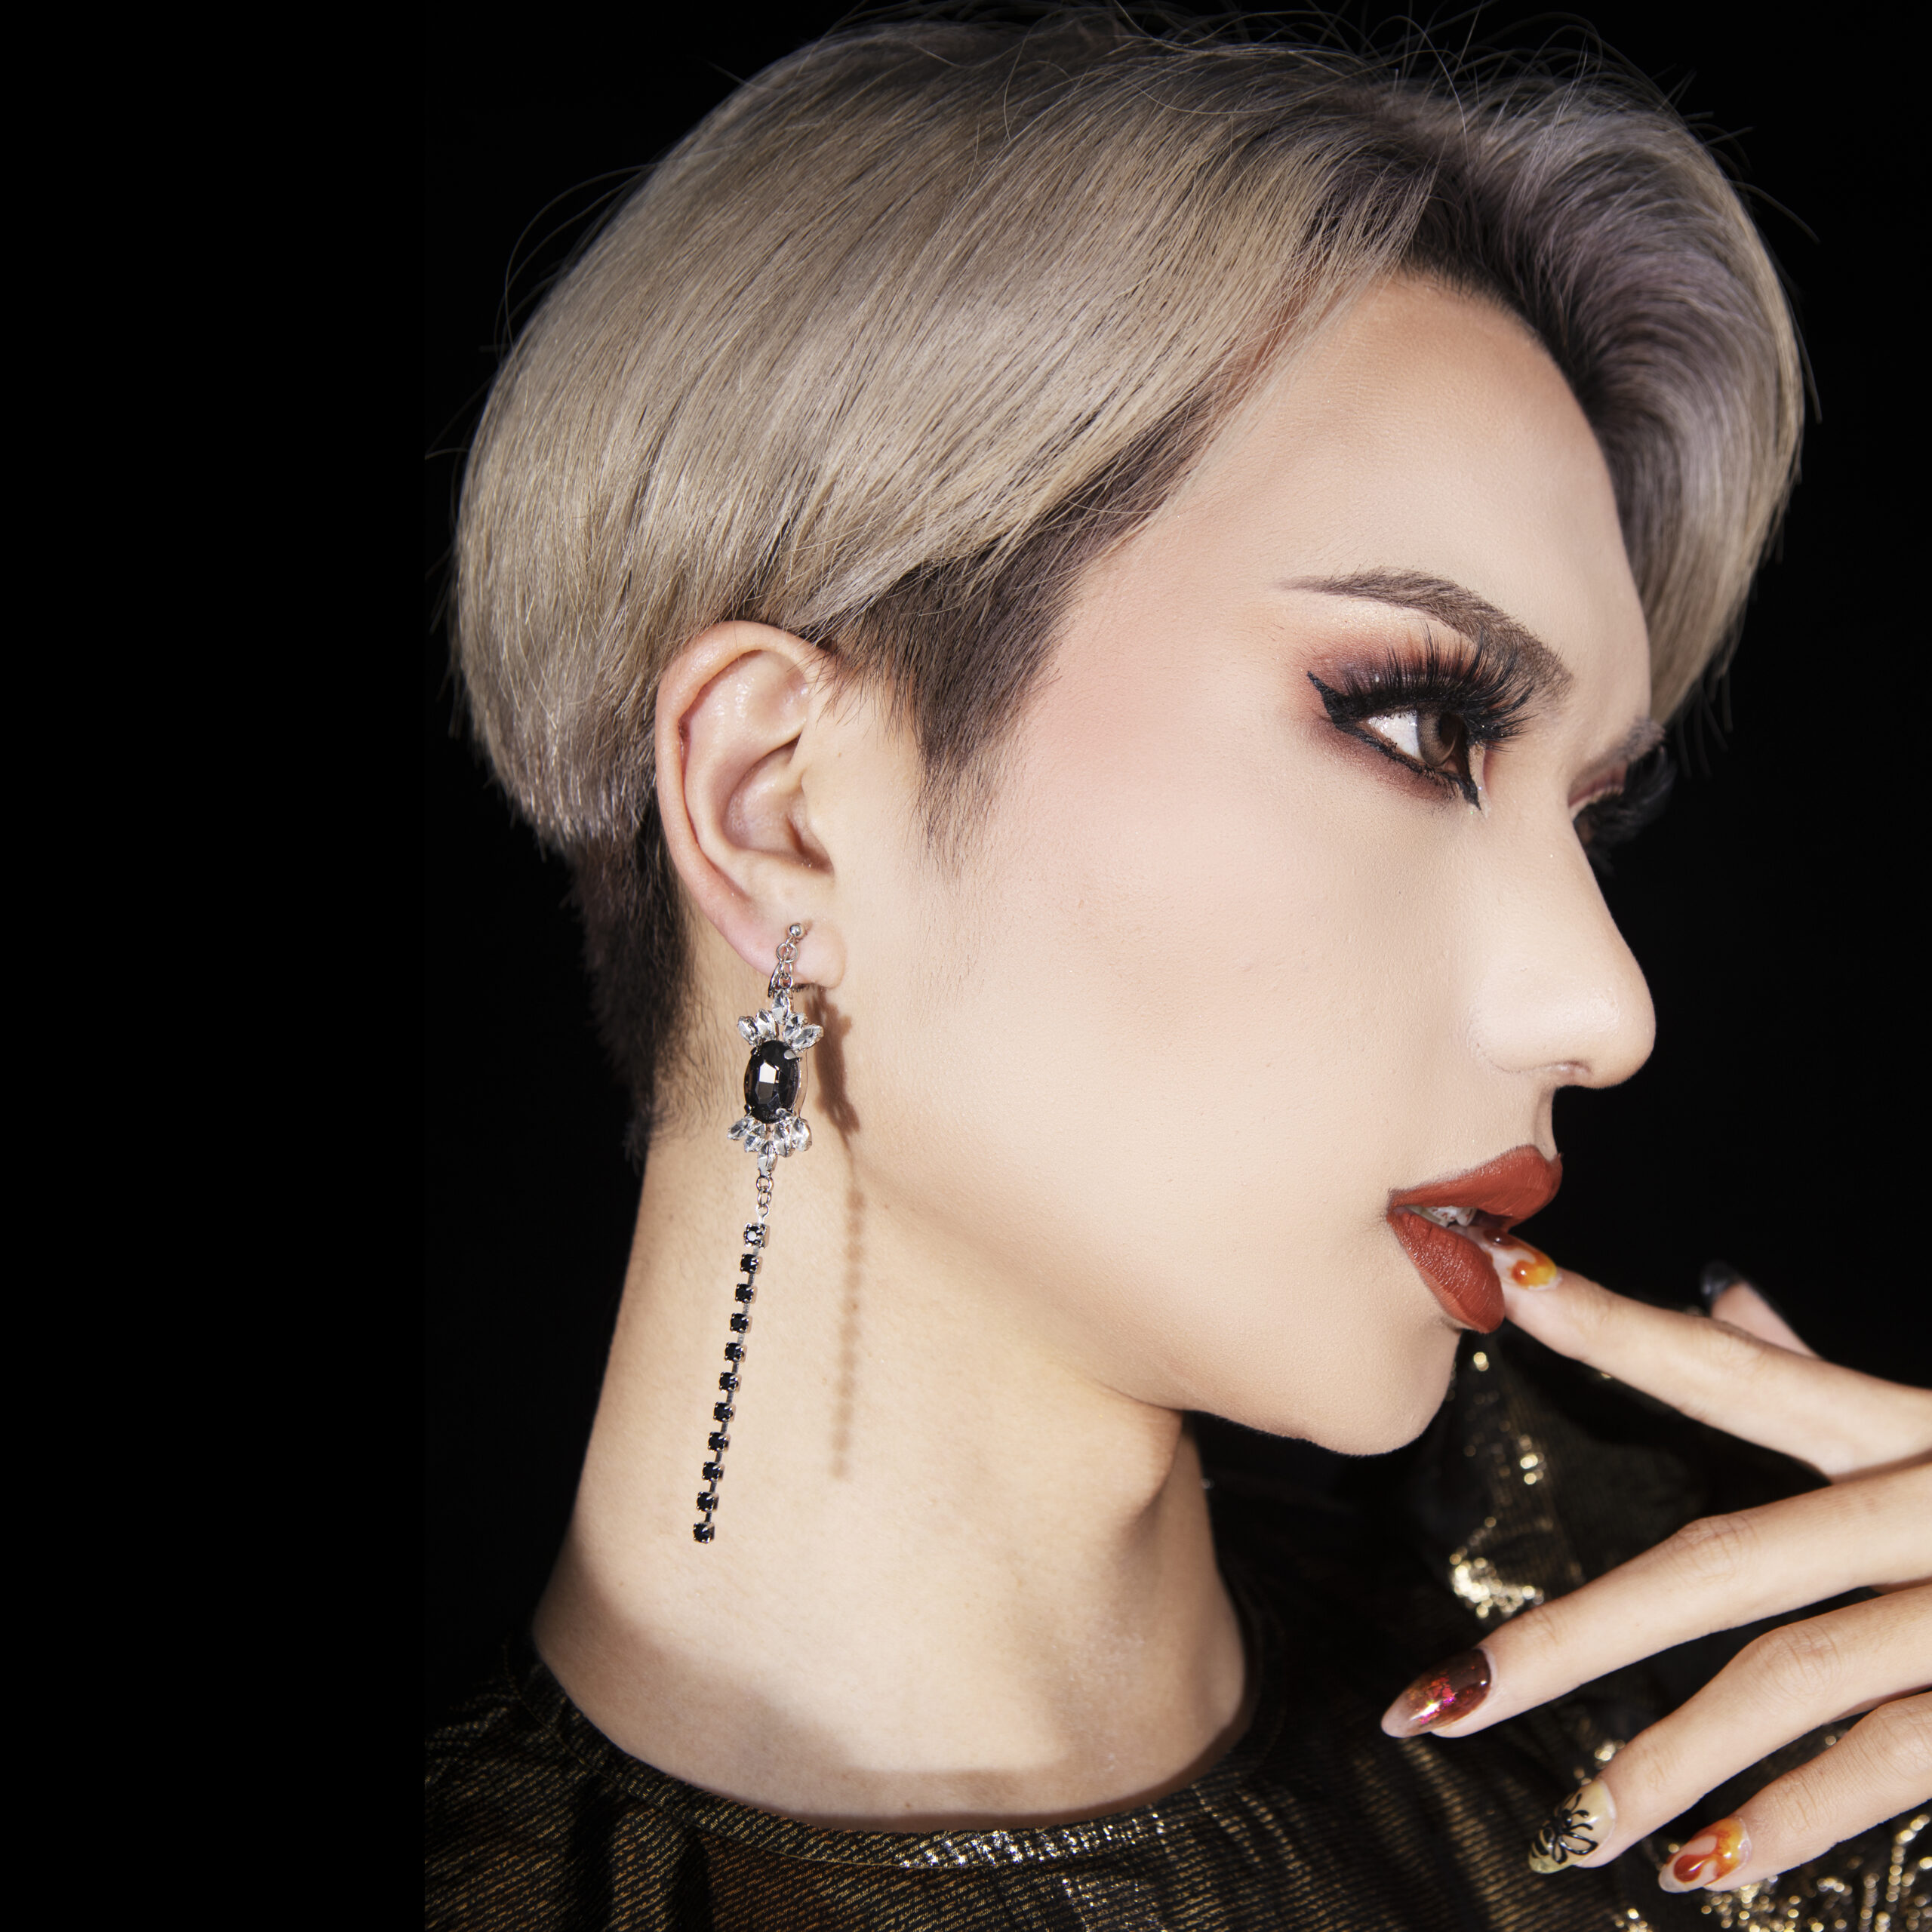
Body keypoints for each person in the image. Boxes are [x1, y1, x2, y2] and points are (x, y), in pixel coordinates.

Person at [426, 10, 1930, 1926]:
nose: (1601, 1007)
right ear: (780, 802)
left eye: (1587, 810)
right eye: (1413, 725)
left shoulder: (1790, 1726)